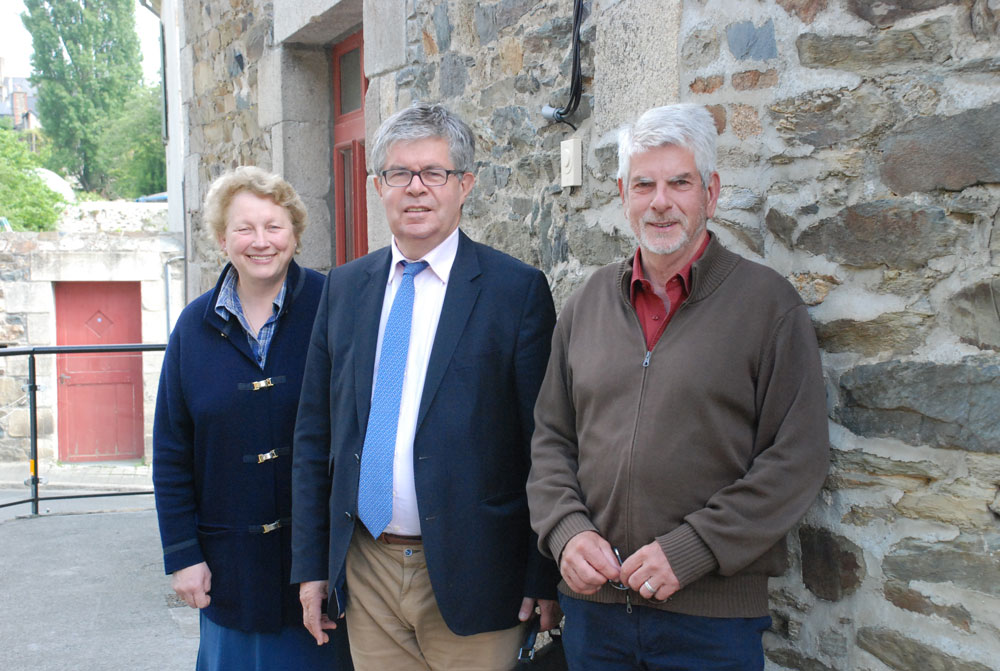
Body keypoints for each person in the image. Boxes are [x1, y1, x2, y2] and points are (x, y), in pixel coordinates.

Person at [526, 104, 830, 670]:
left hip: (710, 622)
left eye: (679, 183)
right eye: (644, 184)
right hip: (595, 617)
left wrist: (692, 550)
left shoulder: (767, 306)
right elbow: (550, 441)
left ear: (710, 194)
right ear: (623, 194)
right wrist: (566, 533)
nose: (660, 201)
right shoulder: (586, 303)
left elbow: (797, 457)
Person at [291, 102, 561, 670]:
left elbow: (547, 443)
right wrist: (313, 567)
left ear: (464, 185)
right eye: (398, 174)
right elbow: (315, 436)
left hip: (478, 573)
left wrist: (544, 574)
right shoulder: (343, 288)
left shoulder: (516, 292)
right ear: (377, 186)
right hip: (367, 571)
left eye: (433, 173)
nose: (415, 189)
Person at [153, 167, 352, 671]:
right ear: (223, 239)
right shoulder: (193, 329)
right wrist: (182, 554)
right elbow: (171, 451)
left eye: (274, 226)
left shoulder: (338, 308)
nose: (261, 242)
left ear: (295, 234)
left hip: (324, 568)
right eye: (245, 228)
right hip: (228, 569)